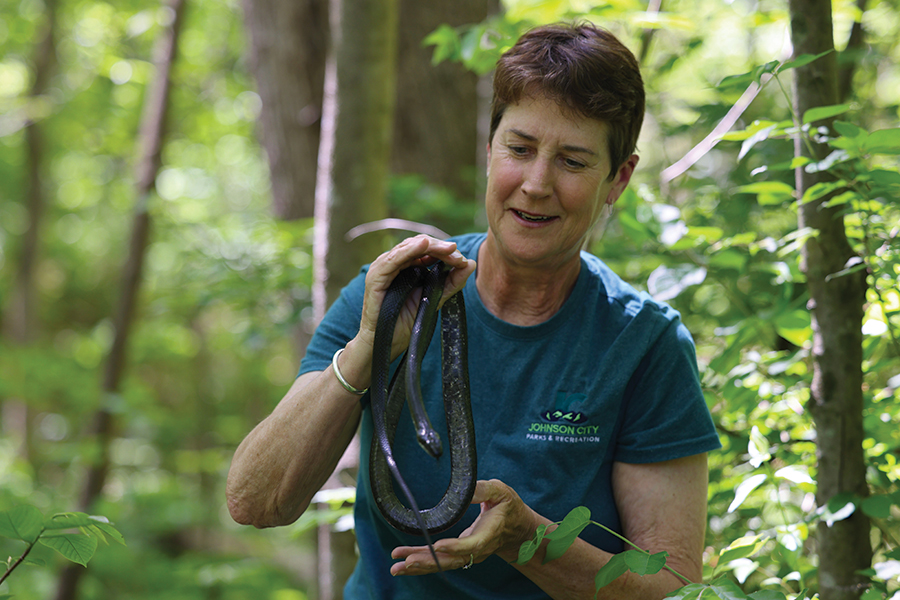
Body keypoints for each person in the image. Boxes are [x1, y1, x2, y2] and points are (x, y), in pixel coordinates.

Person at [226, 21, 721, 600]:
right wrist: (368, 348)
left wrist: (524, 538)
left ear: (619, 179)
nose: (536, 184)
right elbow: (256, 502)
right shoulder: (391, 295)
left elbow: (675, 590)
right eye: (520, 149)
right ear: (489, 152)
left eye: (573, 161)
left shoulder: (641, 343)